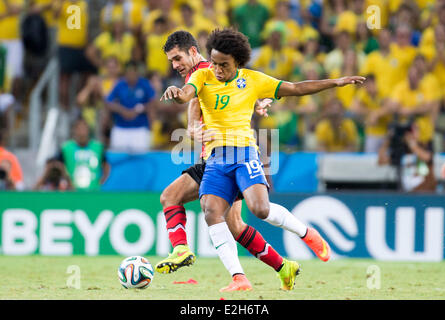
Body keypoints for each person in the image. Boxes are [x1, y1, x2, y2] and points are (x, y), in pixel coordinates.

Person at [161, 28, 365, 291]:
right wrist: (180, 101)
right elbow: (190, 95)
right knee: (221, 217)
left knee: (257, 211)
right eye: (215, 63)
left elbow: (294, 88)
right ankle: (250, 274)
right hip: (214, 157)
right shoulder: (202, 73)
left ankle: (305, 235)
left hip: (242, 152)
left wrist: (335, 82)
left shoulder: (243, 77)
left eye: (177, 58)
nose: (217, 69)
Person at [105, 61, 156, 152]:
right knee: (118, 158)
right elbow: (109, 103)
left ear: (137, 73)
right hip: (121, 128)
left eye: (133, 72)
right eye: (129, 72)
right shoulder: (119, 85)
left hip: (140, 129)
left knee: (141, 159)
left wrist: (140, 109)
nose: (131, 75)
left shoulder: (145, 84)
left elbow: (153, 102)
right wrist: (122, 110)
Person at [50, 117, 109, 191]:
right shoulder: (67, 148)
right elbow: (57, 164)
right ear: (74, 131)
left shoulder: (97, 147)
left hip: (93, 191)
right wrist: (67, 180)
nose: (82, 132)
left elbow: (106, 165)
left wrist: (102, 181)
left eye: (84, 128)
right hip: (73, 192)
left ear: (88, 130)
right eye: (79, 129)